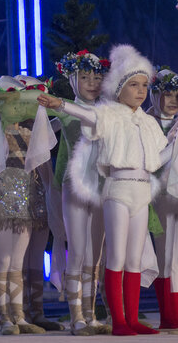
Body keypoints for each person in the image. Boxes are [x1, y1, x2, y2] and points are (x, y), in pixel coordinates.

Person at [37, 44, 178, 336]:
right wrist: (60, 105)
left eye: (145, 85)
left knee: (134, 259)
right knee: (116, 257)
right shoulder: (108, 114)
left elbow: (157, 158)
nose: (141, 91)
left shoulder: (147, 122)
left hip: (140, 191)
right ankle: (118, 320)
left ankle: (131, 319)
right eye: (133, 85)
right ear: (119, 87)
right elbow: (88, 117)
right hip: (117, 190)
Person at [0, 76, 62, 335]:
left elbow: (45, 166)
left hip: (30, 200)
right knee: (4, 260)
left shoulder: (32, 134)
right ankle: (5, 317)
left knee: (18, 261)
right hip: (5, 199)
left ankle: (22, 315)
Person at [52, 50, 111, 335]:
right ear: (71, 79)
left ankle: (91, 315)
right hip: (74, 186)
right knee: (77, 251)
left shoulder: (108, 111)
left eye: (97, 78)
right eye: (85, 77)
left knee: (95, 256)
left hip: (100, 186)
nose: (91, 83)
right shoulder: (62, 109)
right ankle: (76, 316)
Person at [146, 68, 178, 329]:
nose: (174, 100)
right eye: (168, 95)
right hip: (160, 195)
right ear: (156, 95)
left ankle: (177, 309)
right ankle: (167, 313)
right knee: (165, 255)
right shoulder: (147, 121)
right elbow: (154, 158)